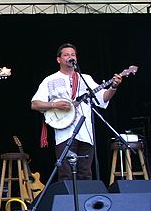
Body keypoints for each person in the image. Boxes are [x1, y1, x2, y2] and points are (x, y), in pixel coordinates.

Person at [31, 43, 122, 180]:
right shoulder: (50, 80)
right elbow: (35, 104)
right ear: (59, 59)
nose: (70, 57)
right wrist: (54, 105)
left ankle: (86, 201)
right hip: (64, 133)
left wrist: (114, 86)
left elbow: (102, 98)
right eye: (66, 55)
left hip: (85, 133)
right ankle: (67, 202)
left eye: (73, 55)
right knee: (66, 173)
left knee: (85, 173)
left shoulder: (85, 78)